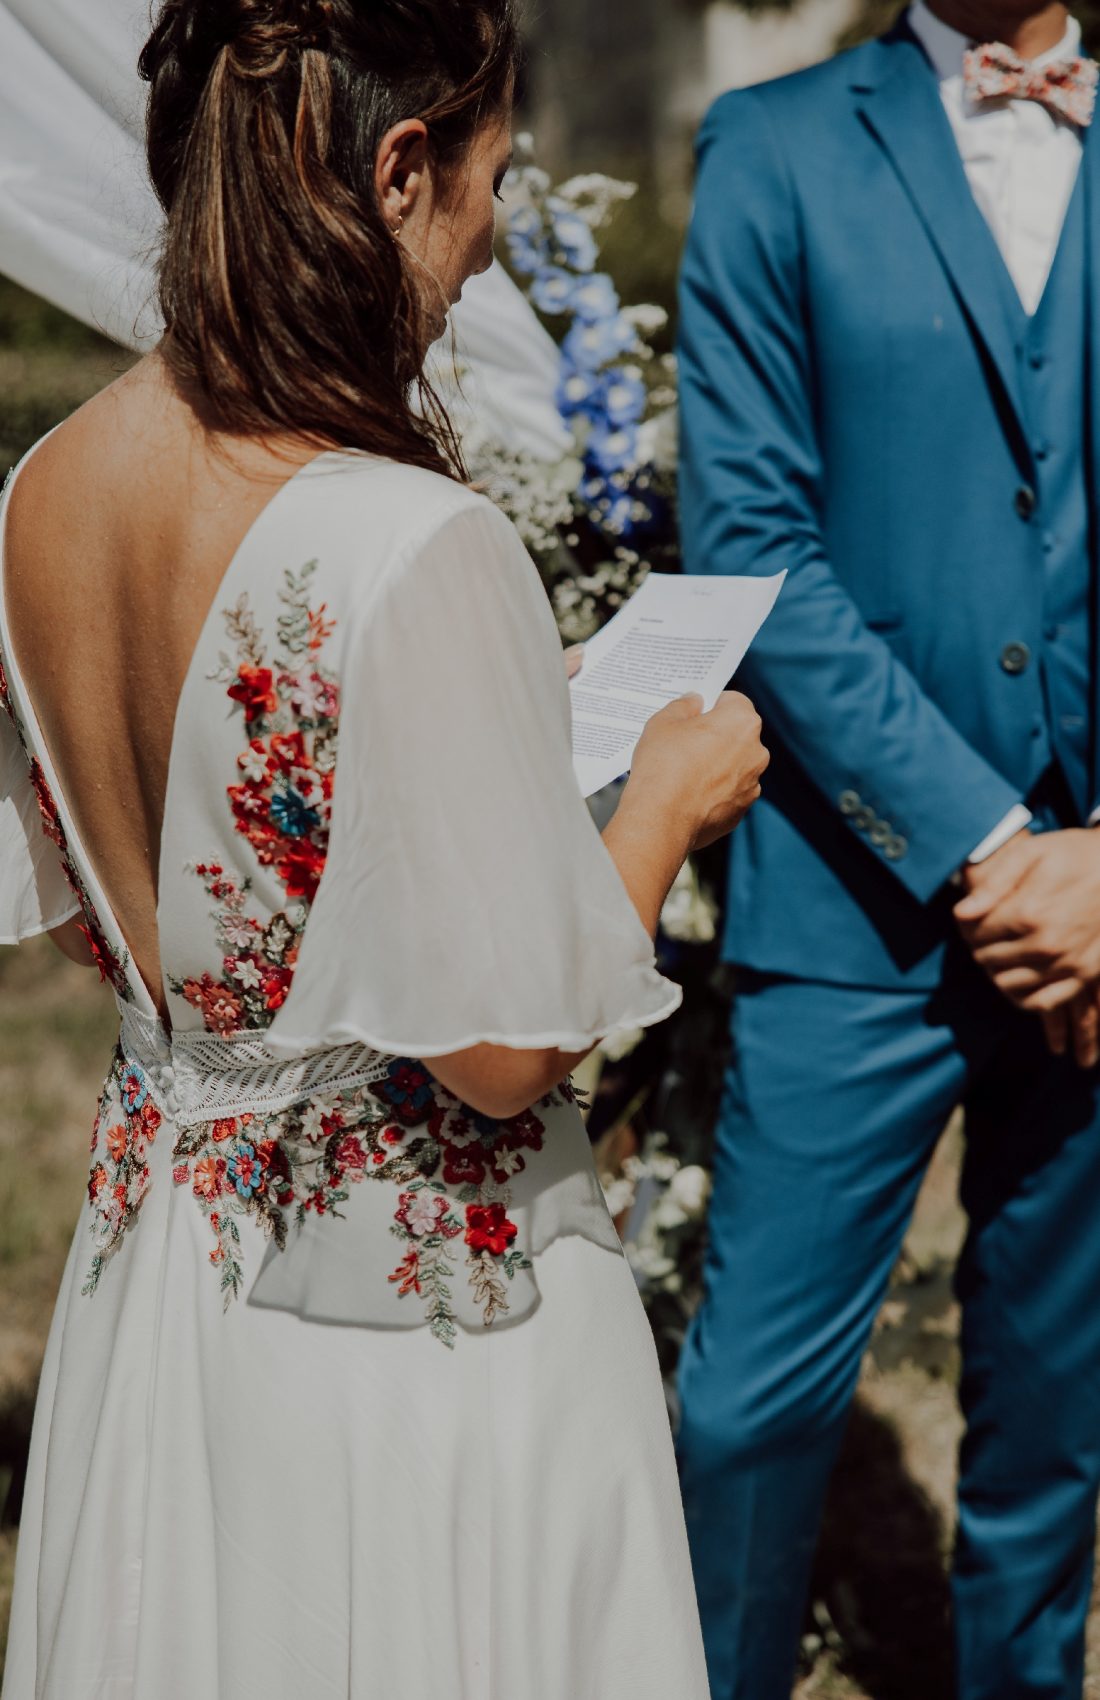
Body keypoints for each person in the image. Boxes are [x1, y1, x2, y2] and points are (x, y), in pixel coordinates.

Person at [0, 2, 769, 1693]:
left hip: (166, 1284)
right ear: (400, 165)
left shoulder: (43, 488)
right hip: (402, 1316)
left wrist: (486, 730)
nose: (492, 235)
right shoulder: (411, 534)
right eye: (492, 176)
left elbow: (102, 934)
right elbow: (501, 1056)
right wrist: (664, 798)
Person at [676, 1, 1100, 1696]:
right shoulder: (773, 149)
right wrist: (1001, 849)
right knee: (746, 1410)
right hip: (850, 901)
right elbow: (755, 549)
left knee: (1055, 1415)